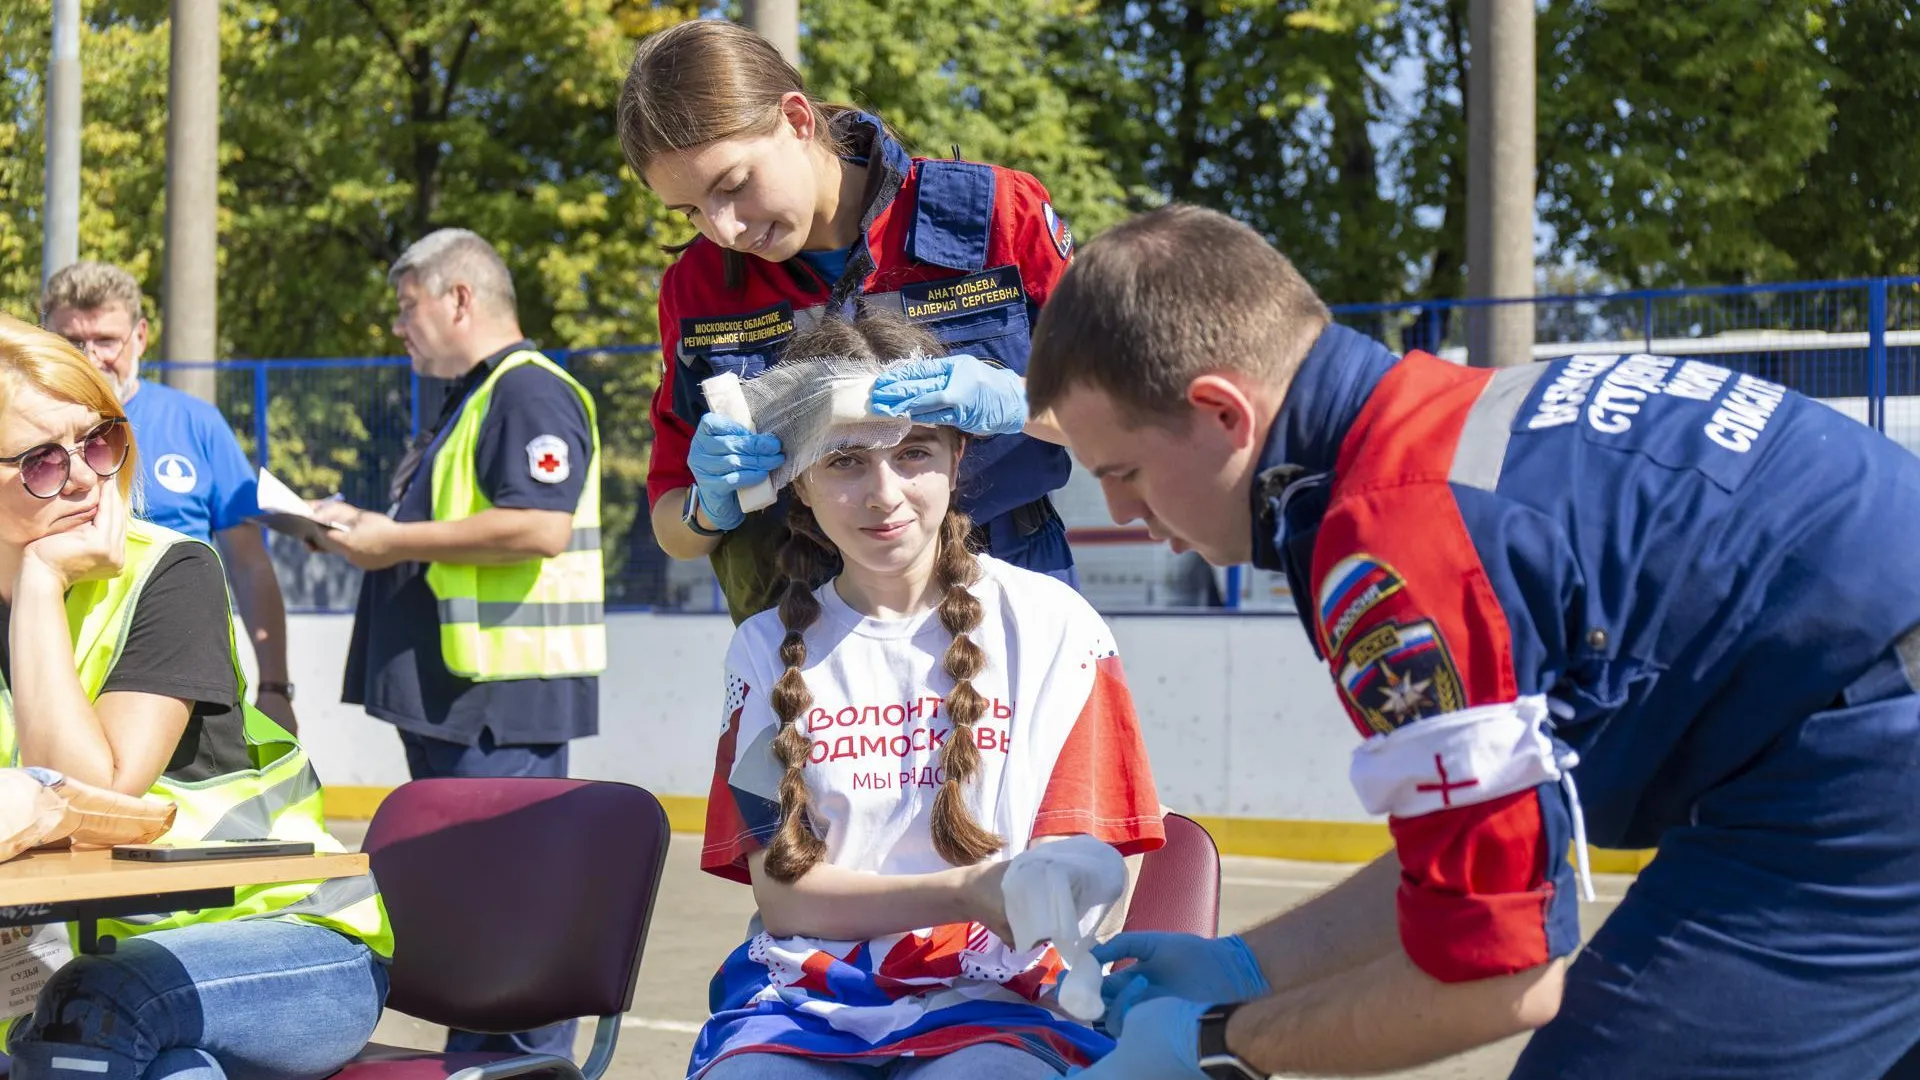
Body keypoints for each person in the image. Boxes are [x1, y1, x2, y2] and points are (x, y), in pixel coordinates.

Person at [1023, 204, 1920, 1079]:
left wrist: (1219, 1044)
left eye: (1125, 472)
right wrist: (1245, 968)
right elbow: (1475, 862)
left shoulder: (1396, 541)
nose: (1123, 515)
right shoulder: (1470, 417)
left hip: (1861, 761)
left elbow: (1497, 975)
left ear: (1224, 413)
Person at [692, 312, 1165, 1079]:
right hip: (804, 1000)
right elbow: (786, 903)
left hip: (1008, 1002)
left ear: (957, 457)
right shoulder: (758, 651)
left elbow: (1102, 864)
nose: (885, 494)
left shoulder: (1057, 627)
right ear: (800, 486)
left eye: (914, 452)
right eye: (845, 459)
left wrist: (1043, 902)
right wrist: (968, 891)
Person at [0, 314, 391, 1080]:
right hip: (76, 961)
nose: (84, 477)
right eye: (43, 462)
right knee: (150, 1060)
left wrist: (41, 586)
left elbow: (86, 797)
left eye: (100, 440)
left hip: (287, 935)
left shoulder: (171, 571)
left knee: (96, 1008)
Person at [618, 20, 1081, 623]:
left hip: (1010, 587)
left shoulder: (995, 214)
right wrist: (707, 506)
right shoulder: (697, 287)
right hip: (806, 620)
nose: (723, 229)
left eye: (733, 185)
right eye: (690, 212)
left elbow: (1136, 414)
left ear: (796, 119)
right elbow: (673, 526)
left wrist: (1018, 402)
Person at [308, 228, 603, 1061]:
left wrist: (388, 542)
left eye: (409, 307)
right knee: (478, 914)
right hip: (460, 703)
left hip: (496, 706)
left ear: (460, 298)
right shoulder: (475, 399)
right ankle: (488, 1063)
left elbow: (538, 525)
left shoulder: (527, 393)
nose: (400, 328)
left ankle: (516, 1071)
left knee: (506, 912)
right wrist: (360, 530)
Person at [40, 262, 300, 732]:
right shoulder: (21, 431)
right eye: (72, 342)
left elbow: (249, 565)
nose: (90, 357)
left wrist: (276, 687)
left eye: (106, 341)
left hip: (185, 680)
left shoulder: (197, 424)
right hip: (58, 675)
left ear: (139, 337)